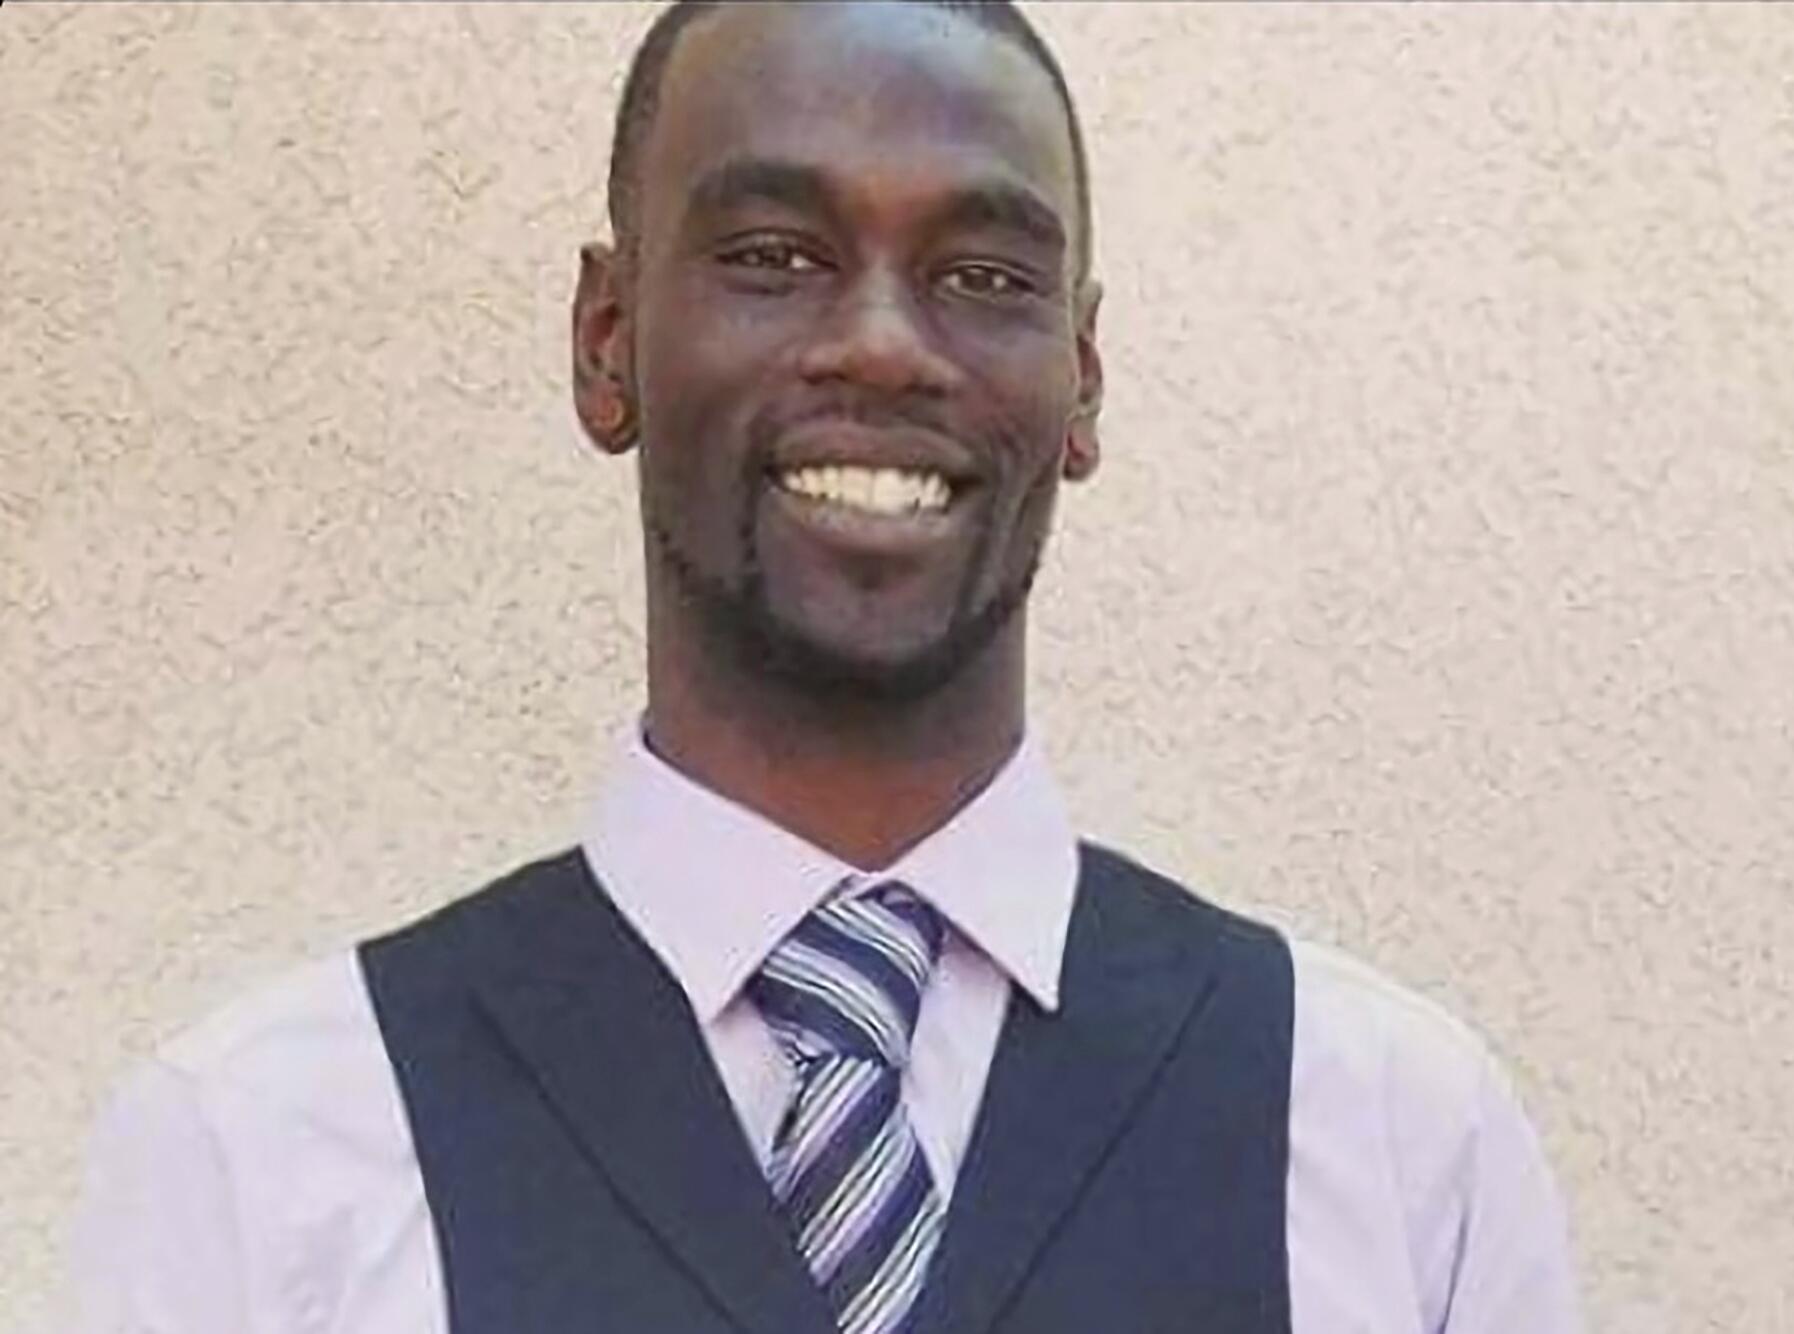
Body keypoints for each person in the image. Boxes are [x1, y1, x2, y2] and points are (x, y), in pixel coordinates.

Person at [61, 3, 1583, 1331]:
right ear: (607, 341)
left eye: (984, 275)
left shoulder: (1397, 1146)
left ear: (1083, 379)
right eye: (774, 256)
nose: (880, 346)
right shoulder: (266, 1158)